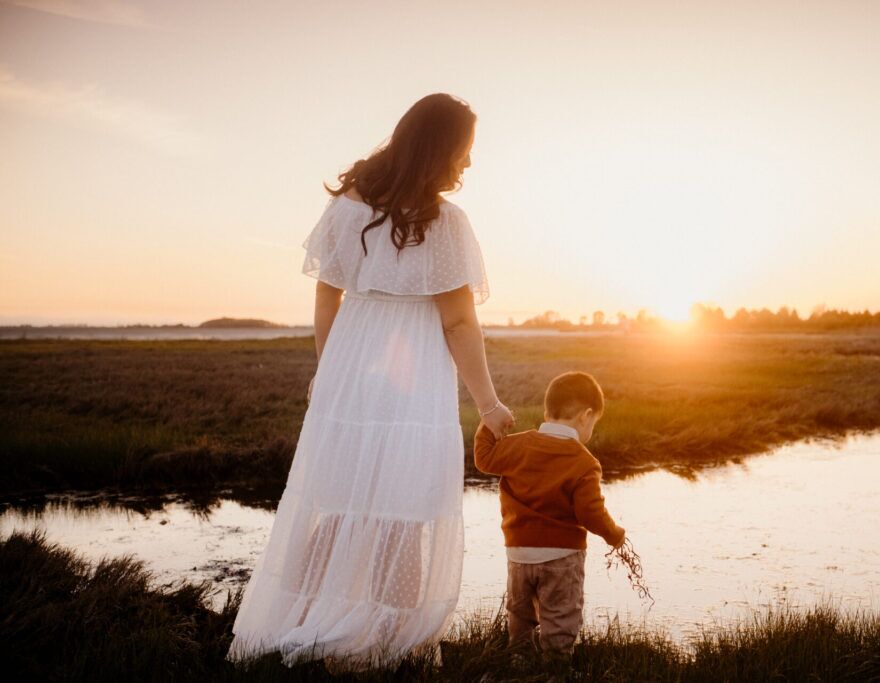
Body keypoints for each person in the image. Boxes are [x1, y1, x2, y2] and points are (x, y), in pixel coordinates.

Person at [226, 93, 515, 671]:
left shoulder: (348, 207)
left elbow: (325, 293)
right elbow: (458, 321)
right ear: (440, 149)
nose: (468, 164)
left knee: (334, 503)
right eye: (464, 151)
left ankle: (304, 619)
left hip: (351, 368)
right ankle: (390, 641)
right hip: (414, 387)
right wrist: (489, 404)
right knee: (408, 509)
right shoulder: (444, 223)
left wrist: (331, 370)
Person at [473, 371, 626, 673]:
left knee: (520, 612)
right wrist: (614, 534)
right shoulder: (583, 462)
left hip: (518, 554)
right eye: (594, 423)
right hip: (561, 557)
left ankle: (519, 660)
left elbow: (483, 457)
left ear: (547, 412)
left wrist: (489, 422)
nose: (591, 430)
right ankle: (556, 668)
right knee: (560, 614)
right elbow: (590, 513)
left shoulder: (519, 446)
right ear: (586, 416)